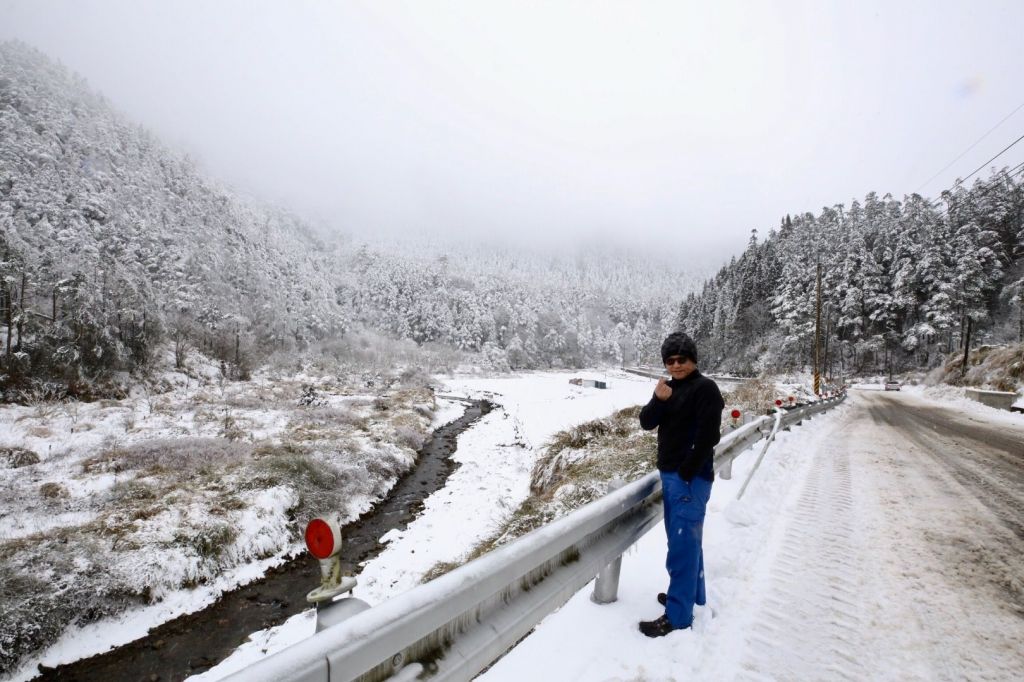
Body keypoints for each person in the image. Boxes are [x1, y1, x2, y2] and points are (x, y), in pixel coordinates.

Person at [637, 331, 724, 637]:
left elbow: (708, 437)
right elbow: (646, 422)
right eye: (670, 360)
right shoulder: (668, 389)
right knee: (686, 543)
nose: (676, 365)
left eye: (682, 359)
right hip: (673, 477)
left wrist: (686, 472)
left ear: (693, 359)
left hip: (690, 478)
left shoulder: (706, 389)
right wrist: (658, 400)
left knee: (682, 548)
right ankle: (691, 597)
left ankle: (677, 615)